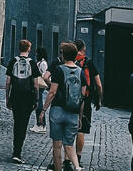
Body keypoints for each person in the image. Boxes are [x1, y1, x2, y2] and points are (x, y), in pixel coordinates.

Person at [46, 42, 87, 171]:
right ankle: (77, 166)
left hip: (57, 111)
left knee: (57, 145)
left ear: (63, 55)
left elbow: (52, 92)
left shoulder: (59, 70)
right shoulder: (80, 72)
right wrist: (80, 116)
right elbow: (82, 97)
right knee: (69, 144)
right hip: (73, 112)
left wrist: (43, 109)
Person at [6, 39, 40, 163]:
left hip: (15, 96)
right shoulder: (32, 63)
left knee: (17, 123)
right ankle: (18, 153)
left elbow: (8, 82)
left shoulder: (12, 61)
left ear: (19, 48)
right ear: (29, 49)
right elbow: (36, 85)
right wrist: (36, 99)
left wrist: (8, 98)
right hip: (28, 98)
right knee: (24, 123)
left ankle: (15, 151)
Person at [72, 40, 103, 167]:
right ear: (83, 48)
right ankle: (78, 158)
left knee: (69, 129)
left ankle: (67, 159)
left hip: (70, 99)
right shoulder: (88, 62)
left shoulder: (69, 60)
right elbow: (98, 84)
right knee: (81, 130)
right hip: (85, 99)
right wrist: (99, 100)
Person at [33, 47, 51, 133]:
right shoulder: (40, 62)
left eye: (37, 52)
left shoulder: (43, 63)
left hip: (40, 85)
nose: (36, 54)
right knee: (37, 104)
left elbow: (44, 75)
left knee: (39, 105)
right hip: (38, 84)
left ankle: (42, 125)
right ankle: (38, 124)